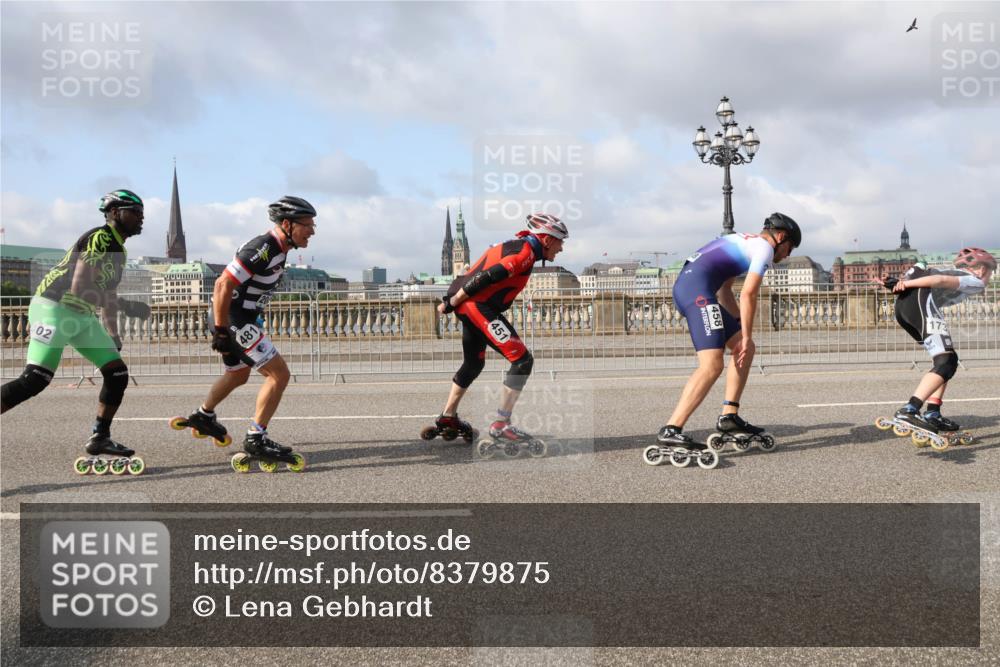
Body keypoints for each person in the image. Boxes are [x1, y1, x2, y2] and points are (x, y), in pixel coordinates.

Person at [1, 189, 150, 474]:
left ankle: (99, 437)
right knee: (34, 380)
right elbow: (80, 287)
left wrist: (114, 336)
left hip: (82, 316)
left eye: (142, 213)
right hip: (54, 308)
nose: (141, 217)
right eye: (135, 211)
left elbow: (107, 293)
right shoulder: (100, 237)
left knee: (117, 373)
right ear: (115, 212)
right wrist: (128, 306)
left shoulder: (120, 251)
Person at [174, 196, 316, 472]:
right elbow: (222, 283)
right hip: (232, 318)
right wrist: (220, 330)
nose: (311, 231)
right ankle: (256, 438)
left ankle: (203, 415)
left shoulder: (279, 249)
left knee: (238, 374)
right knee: (279, 375)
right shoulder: (264, 247)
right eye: (307, 225)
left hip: (241, 317)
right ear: (287, 224)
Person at [657, 213, 801, 452]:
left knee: (744, 348)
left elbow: (725, 290)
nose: (787, 255)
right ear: (780, 236)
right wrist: (747, 336)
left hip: (694, 288)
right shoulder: (764, 248)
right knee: (712, 365)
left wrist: (740, 332)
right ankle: (671, 429)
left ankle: (729, 416)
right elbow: (748, 294)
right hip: (697, 293)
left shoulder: (744, 241)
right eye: (790, 248)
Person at [428, 213, 567, 452]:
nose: (561, 248)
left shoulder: (516, 245)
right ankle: (501, 424)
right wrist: (452, 302)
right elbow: (485, 277)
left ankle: (448, 416)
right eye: (560, 242)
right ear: (546, 240)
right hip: (477, 306)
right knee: (522, 361)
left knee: (473, 363)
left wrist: (455, 301)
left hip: (471, 306)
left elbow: (475, 270)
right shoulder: (524, 254)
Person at [879, 247, 995, 435]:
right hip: (921, 304)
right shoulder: (975, 281)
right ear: (982, 269)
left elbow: (919, 270)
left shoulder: (946, 270)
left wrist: (899, 283)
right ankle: (909, 409)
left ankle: (933, 412)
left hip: (903, 308)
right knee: (946, 362)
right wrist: (905, 284)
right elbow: (939, 280)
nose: (990, 277)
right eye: (991, 271)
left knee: (946, 360)